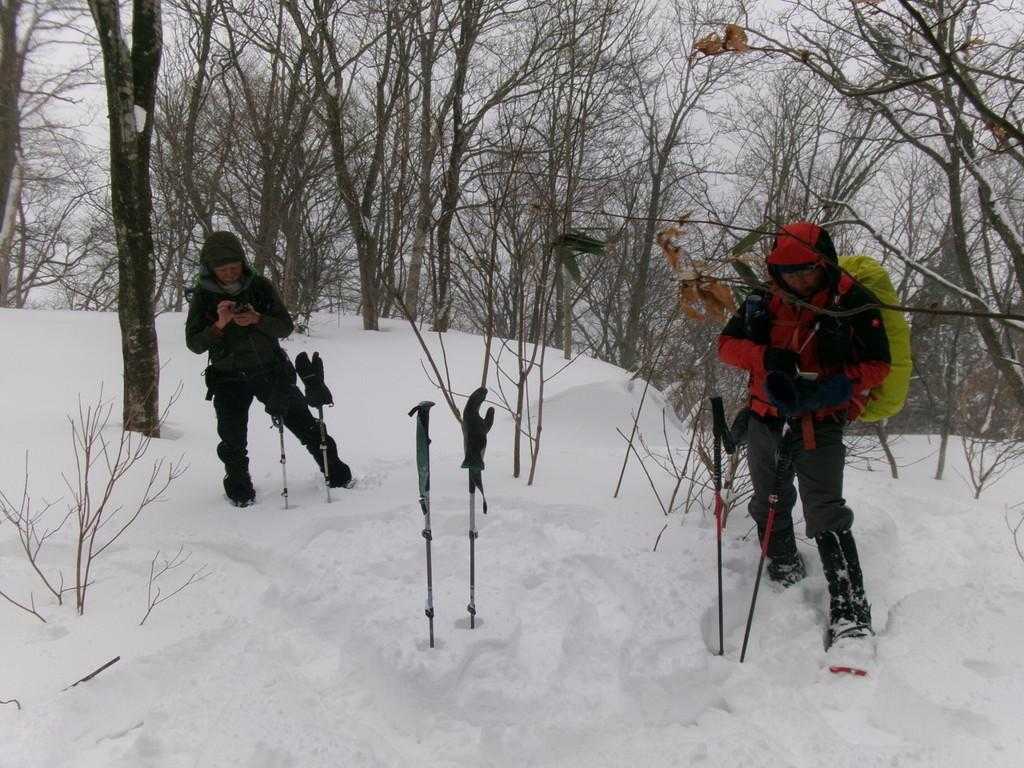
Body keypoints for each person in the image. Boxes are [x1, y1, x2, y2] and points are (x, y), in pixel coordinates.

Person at [717, 221, 891, 647]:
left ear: (823, 263)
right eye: (787, 271)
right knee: (768, 501)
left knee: (826, 510)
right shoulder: (763, 299)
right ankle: (783, 568)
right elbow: (726, 346)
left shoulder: (852, 301)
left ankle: (850, 610)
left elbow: (879, 365)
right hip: (766, 416)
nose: (796, 279)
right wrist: (767, 357)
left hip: (821, 420)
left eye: (805, 270)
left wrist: (837, 386)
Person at [185, 230, 352, 506]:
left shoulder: (259, 286)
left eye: (234, 267)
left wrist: (257, 319)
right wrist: (219, 324)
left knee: (304, 424)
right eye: (223, 269)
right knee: (232, 440)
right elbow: (194, 344)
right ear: (210, 269)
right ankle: (240, 491)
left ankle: (337, 474)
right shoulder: (203, 296)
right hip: (227, 377)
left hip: (270, 370)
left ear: (242, 263)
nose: (229, 273)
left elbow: (285, 327)